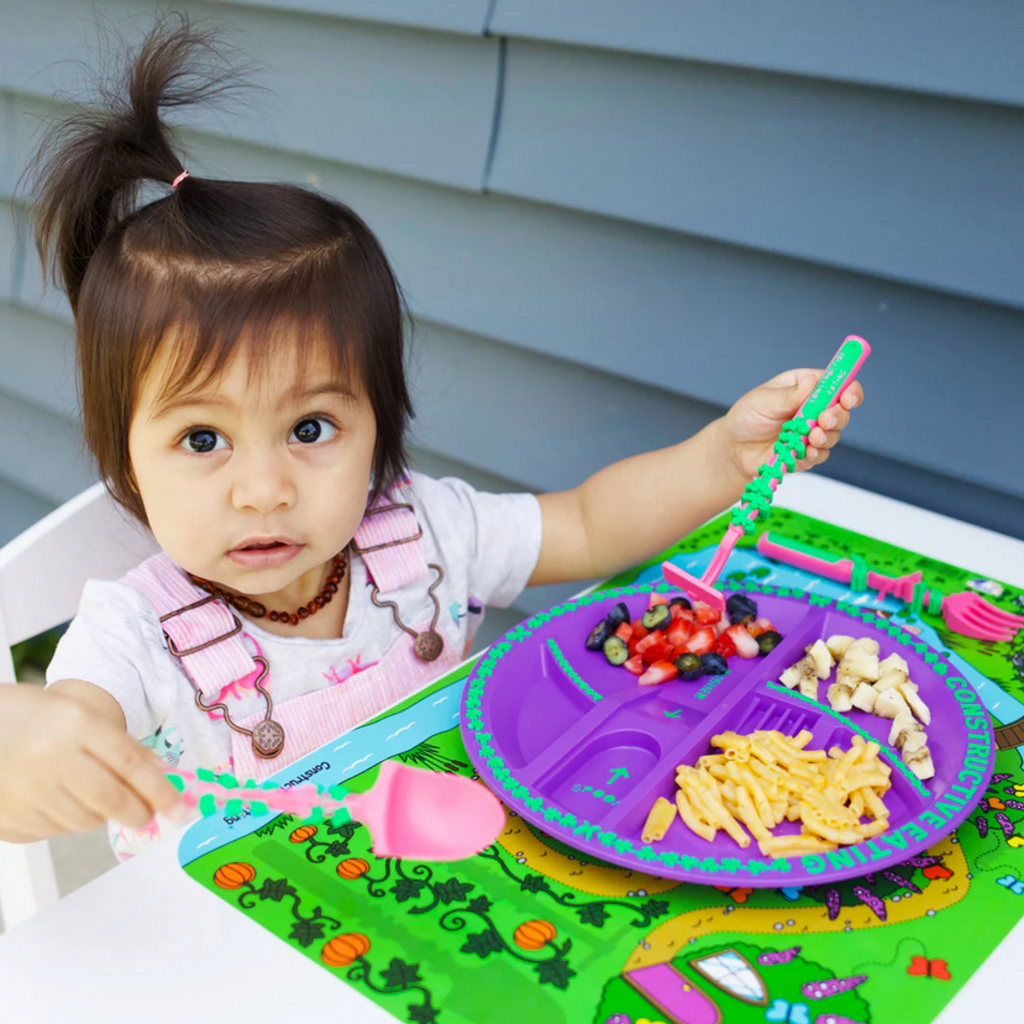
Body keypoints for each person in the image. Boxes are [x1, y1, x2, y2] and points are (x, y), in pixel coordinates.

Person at [0, 17, 862, 859]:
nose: (263, 488)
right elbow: (65, 726)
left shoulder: (423, 536)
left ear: (380, 422)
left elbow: (593, 525)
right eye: (201, 439)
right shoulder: (133, 636)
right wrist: (25, 746)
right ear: (126, 457)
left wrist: (722, 457)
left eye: (310, 428)